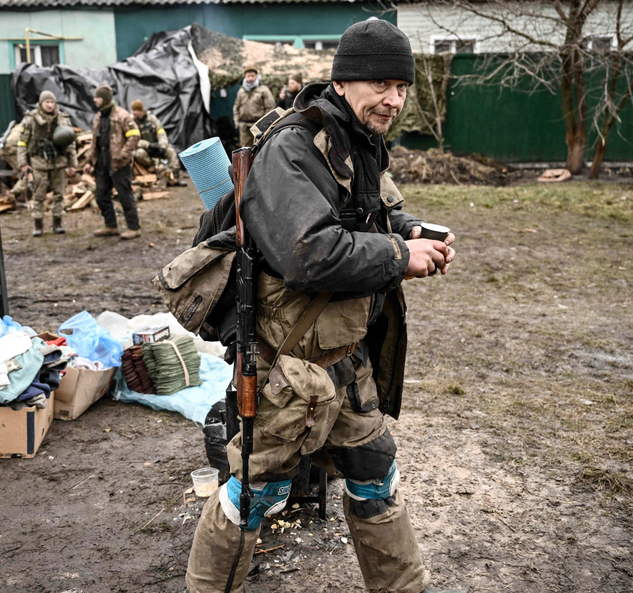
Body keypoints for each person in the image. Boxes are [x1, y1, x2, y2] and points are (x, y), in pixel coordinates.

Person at [185, 19, 460, 593]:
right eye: (381, 84)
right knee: (256, 492)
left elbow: (373, 215)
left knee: (375, 473)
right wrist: (398, 254)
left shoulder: (357, 142)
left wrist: (414, 232)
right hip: (285, 363)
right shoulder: (293, 148)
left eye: (402, 86)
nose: (394, 99)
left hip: (342, 354)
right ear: (342, 83)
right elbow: (309, 253)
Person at [83, 84, 141, 240]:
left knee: (125, 195)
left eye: (98, 97)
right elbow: (94, 141)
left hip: (118, 164)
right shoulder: (98, 117)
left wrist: (123, 155)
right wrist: (89, 161)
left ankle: (133, 228)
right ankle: (111, 226)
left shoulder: (122, 116)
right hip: (101, 163)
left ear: (105, 98)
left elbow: (134, 135)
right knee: (101, 195)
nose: (95, 100)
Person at [17, 90, 77, 237]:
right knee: (38, 195)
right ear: (41, 103)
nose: (50, 105)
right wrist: (23, 163)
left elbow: (70, 144)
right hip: (39, 162)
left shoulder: (63, 119)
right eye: (47, 102)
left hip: (59, 162)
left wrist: (72, 164)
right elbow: (22, 143)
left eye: (52, 102)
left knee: (59, 195)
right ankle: (38, 225)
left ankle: (57, 223)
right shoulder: (30, 119)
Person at [129, 99, 184, 186]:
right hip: (144, 149)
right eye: (132, 110)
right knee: (139, 153)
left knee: (170, 151)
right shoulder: (131, 122)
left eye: (135, 110)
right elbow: (133, 139)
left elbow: (161, 132)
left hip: (156, 146)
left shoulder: (151, 119)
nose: (133, 113)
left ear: (140, 110)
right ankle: (155, 170)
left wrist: (162, 146)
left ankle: (176, 176)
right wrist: (148, 145)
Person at [232, 65, 275, 147]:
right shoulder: (241, 91)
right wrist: (236, 121)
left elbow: (270, 107)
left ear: (257, 76)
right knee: (245, 150)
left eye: (252, 76)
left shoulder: (263, 90)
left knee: (260, 148)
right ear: (245, 77)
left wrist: (265, 124)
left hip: (258, 126)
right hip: (244, 126)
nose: (250, 78)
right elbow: (236, 107)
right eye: (248, 76)